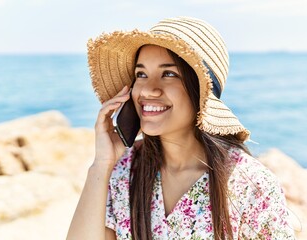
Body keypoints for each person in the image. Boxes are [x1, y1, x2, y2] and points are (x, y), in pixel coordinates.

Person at [67, 16, 295, 239]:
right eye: (141, 74)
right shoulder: (124, 171)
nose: (147, 90)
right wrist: (100, 165)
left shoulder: (249, 183)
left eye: (169, 74)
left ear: (202, 93)